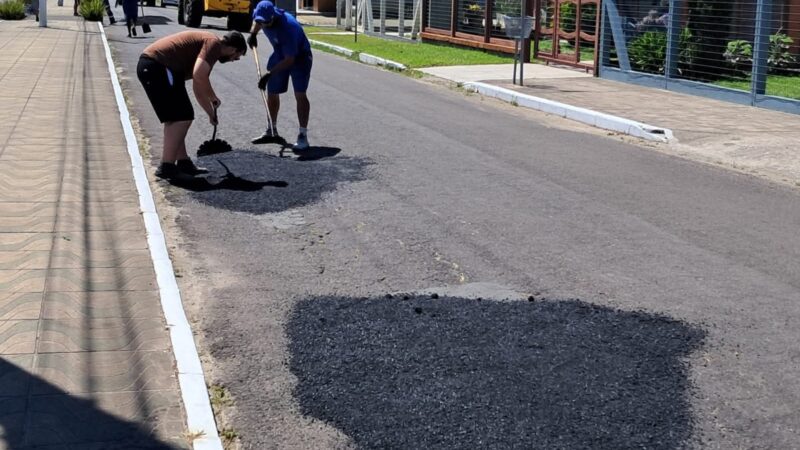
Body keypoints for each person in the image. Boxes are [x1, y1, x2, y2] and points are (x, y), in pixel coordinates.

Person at [137, 31, 247, 180]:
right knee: (181, 118)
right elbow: (199, 74)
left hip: (158, 67)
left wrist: (210, 113)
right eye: (238, 56)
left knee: (178, 117)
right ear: (233, 49)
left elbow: (198, 85)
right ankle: (167, 167)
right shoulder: (213, 44)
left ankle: (183, 162)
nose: (235, 59)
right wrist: (213, 97)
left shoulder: (210, 46)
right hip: (158, 66)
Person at [248, 0, 313, 150]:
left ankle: (303, 135)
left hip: (300, 57)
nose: (263, 24)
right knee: (272, 92)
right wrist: (253, 34)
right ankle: (271, 130)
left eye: (265, 22)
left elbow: (290, 60)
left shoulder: (288, 27)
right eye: (260, 21)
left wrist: (268, 75)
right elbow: (257, 21)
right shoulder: (261, 16)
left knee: (300, 94)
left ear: (273, 17)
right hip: (280, 53)